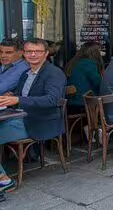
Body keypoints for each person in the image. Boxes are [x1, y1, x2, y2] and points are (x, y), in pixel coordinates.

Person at [0, 38, 66, 193]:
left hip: (40, 122)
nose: (33, 54)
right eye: (29, 51)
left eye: (38, 51)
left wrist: (17, 99)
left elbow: (52, 100)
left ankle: (4, 181)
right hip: (21, 118)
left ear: (46, 54)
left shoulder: (54, 73)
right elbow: (23, 95)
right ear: (23, 54)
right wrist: (11, 96)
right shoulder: (26, 73)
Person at [65, 41, 104, 114]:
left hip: (70, 103)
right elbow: (98, 84)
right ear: (95, 52)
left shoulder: (74, 62)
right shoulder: (89, 64)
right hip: (83, 104)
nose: (102, 53)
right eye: (100, 50)